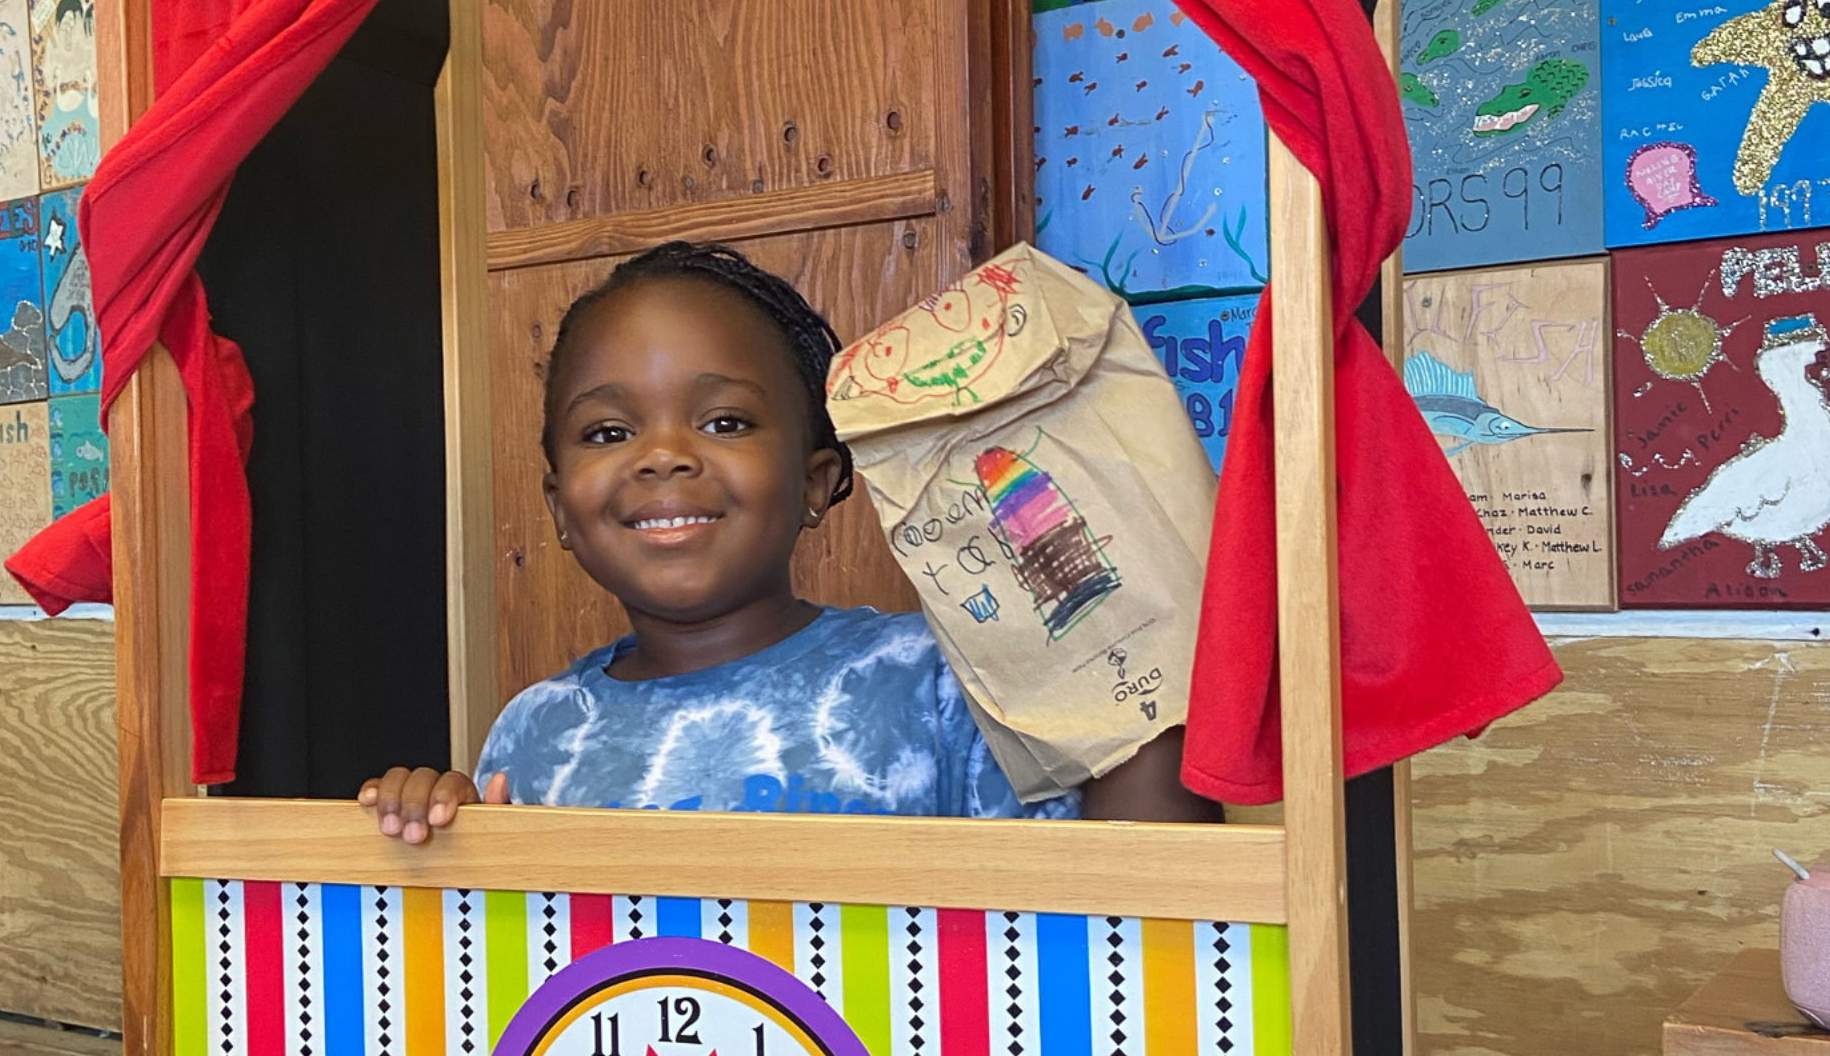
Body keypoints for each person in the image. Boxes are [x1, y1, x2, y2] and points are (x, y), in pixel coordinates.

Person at [361, 241, 1218, 842]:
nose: (663, 455)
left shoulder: (936, 686)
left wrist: (1141, 683)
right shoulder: (535, 732)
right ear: (558, 506)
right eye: (608, 432)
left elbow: (1131, 914)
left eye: (724, 420)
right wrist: (433, 832)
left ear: (815, 481)